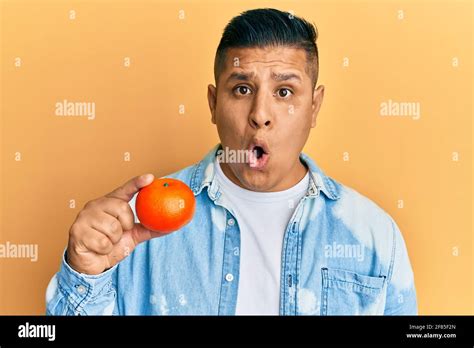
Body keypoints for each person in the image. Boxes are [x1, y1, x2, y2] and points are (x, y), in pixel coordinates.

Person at [46, 8, 417, 315]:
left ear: (314, 107)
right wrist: (85, 272)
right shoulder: (133, 226)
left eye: (284, 91)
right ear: (213, 103)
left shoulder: (373, 234)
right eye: (242, 89)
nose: (260, 115)